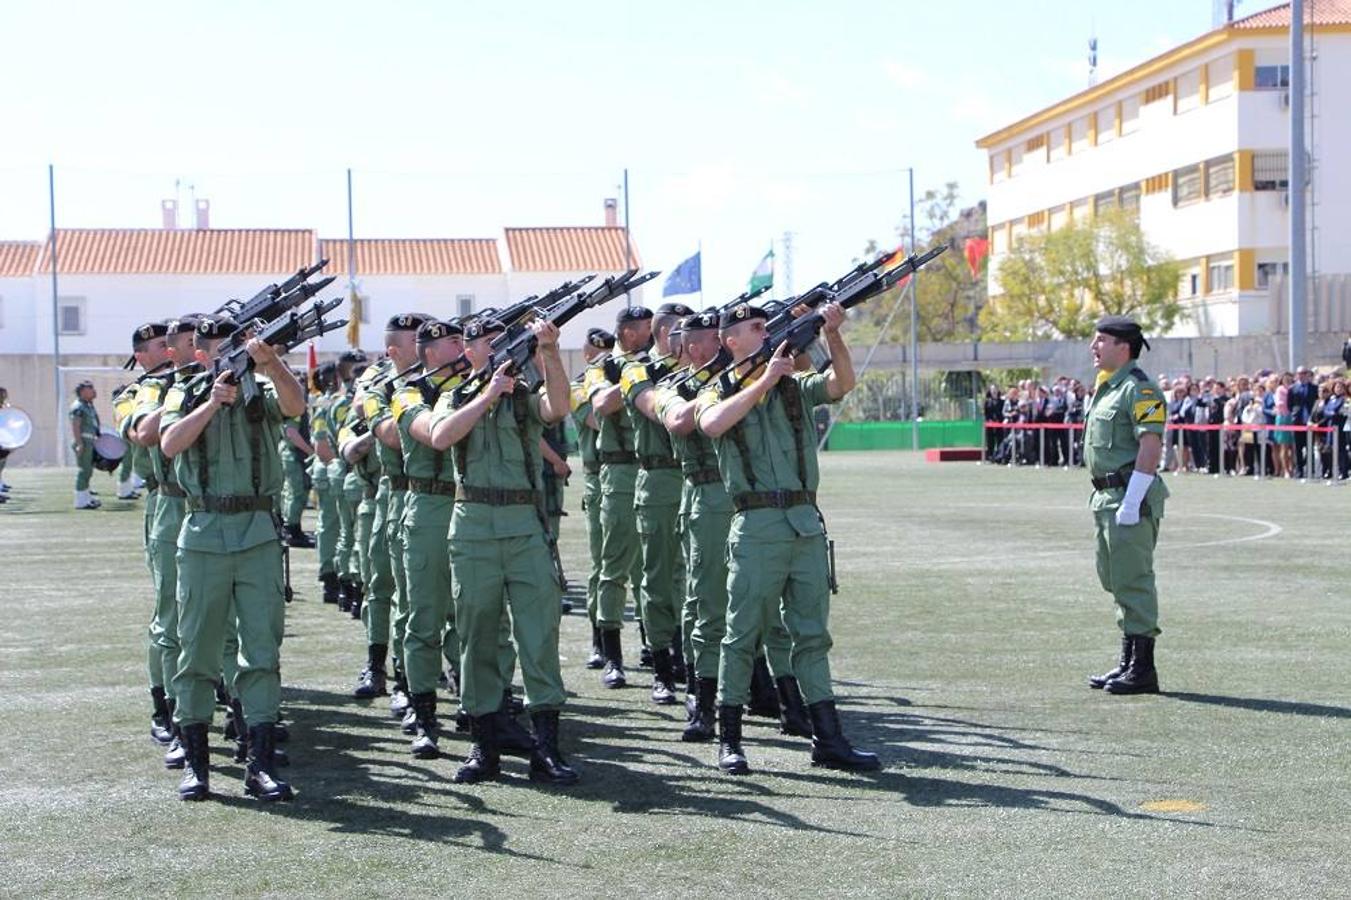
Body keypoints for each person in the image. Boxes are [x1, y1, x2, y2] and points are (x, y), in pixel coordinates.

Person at [695, 301, 879, 775]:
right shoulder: (718, 389)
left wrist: (832, 335)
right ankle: (729, 739)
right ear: (731, 340)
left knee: (812, 635)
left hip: (804, 522)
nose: (766, 331)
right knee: (741, 634)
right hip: (756, 526)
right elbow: (714, 423)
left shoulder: (794, 386)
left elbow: (841, 384)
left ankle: (828, 738)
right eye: (755, 328)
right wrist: (766, 379)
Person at [159, 316, 306, 802]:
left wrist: (272, 363)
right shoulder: (184, 393)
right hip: (203, 531)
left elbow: (295, 405)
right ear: (201, 355)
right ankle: (196, 761)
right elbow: (169, 442)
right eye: (219, 349)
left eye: (236, 347)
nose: (229, 357)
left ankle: (259, 762)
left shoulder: (262, 391)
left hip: (258, 532)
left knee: (260, 650)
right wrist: (209, 404)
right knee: (197, 648)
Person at [426, 316, 578, 785]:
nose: (495, 349)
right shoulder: (455, 396)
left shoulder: (523, 397)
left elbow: (557, 407)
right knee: (478, 636)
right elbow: (440, 436)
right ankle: (484, 745)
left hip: (523, 524)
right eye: (485, 342)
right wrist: (488, 394)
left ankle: (546, 748)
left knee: (538, 634)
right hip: (472, 525)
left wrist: (550, 353)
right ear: (468, 351)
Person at [1084, 316, 1169, 696]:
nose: (1094, 347)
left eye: (1101, 340)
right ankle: (1128, 661)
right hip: (1106, 497)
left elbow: (1150, 446)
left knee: (1133, 579)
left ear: (1124, 346)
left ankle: (1143, 669)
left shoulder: (1140, 389)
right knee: (1115, 578)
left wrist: (1134, 499)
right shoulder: (1108, 388)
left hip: (1128, 495)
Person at [621, 301, 693, 705]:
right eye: (683, 332)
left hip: (697, 476)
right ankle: (662, 665)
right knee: (660, 576)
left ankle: (694, 659)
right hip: (660, 478)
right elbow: (657, 408)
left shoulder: (700, 369)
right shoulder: (639, 371)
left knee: (699, 576)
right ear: (665, 335)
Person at [584, 306, 655, 689]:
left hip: (654, 469)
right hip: (619, 471)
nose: (653, 334)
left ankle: (656, 644)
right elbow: (600, 405)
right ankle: (611, 652)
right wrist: (637, 374)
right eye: (646, 329)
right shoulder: (603, 367)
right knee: (613, 566)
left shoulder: (657, 360)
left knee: (657, 569)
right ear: (628, 333)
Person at [116, 321, 174, 745]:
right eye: (160, 347)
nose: (170, 352)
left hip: (209, 504)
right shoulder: (131, 396)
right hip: (166, 504)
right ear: (141, 356)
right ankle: (164, 704)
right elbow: (142, 432)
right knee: (169, 612)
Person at [570, 328, 614, 669]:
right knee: (604, 565)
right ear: (586, 353)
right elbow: (598, 420)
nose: (601, 356)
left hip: (629, 474)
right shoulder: (576, 386)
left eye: (607, 350)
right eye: (596, 351)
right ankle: (600, 639)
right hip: (599, 478)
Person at [70, 380, 102, 509]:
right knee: (84, 470)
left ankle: (86, 498)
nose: (93, 391)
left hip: (89, 440)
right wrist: (79, 443)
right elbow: (76, 425)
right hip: (84, 440)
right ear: (82, 391)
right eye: (90, 389)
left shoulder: (87, 405)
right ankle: (80, 501)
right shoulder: (78, 407)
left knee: (88, 471)